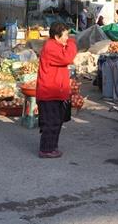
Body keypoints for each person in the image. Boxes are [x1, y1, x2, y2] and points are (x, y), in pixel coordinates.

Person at [36, 22, 78, 158]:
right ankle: (46, 149)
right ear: (56, 36)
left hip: (57, 90)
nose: (67, 38)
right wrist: (71, 43)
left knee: (57, 121)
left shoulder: (57, 45)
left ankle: (52, 146)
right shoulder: (50, 47)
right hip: (50, 91)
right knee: (51, 122)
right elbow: (67, 58)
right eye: (65, 35)